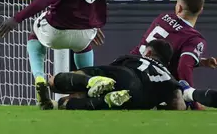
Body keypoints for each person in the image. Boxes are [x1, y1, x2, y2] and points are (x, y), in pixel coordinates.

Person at [130, 0, 217, 109]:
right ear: (201, 10)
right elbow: (183, 66)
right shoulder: (194, 39)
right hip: (152, 82)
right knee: (179, 104)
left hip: (131, 66)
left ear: (179, 7)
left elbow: (163, 53)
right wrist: (193, 101)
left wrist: (200, 61)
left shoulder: (163, 17)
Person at [49, 40, 186, 110]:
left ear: (148, 53)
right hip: (137, 97)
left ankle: (89, 82)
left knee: (54, 82)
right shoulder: (168, 77)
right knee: (88, 102)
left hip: (125, 73)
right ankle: (105, 100)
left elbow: (109, 73)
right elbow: (178, 104)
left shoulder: (134, 58)